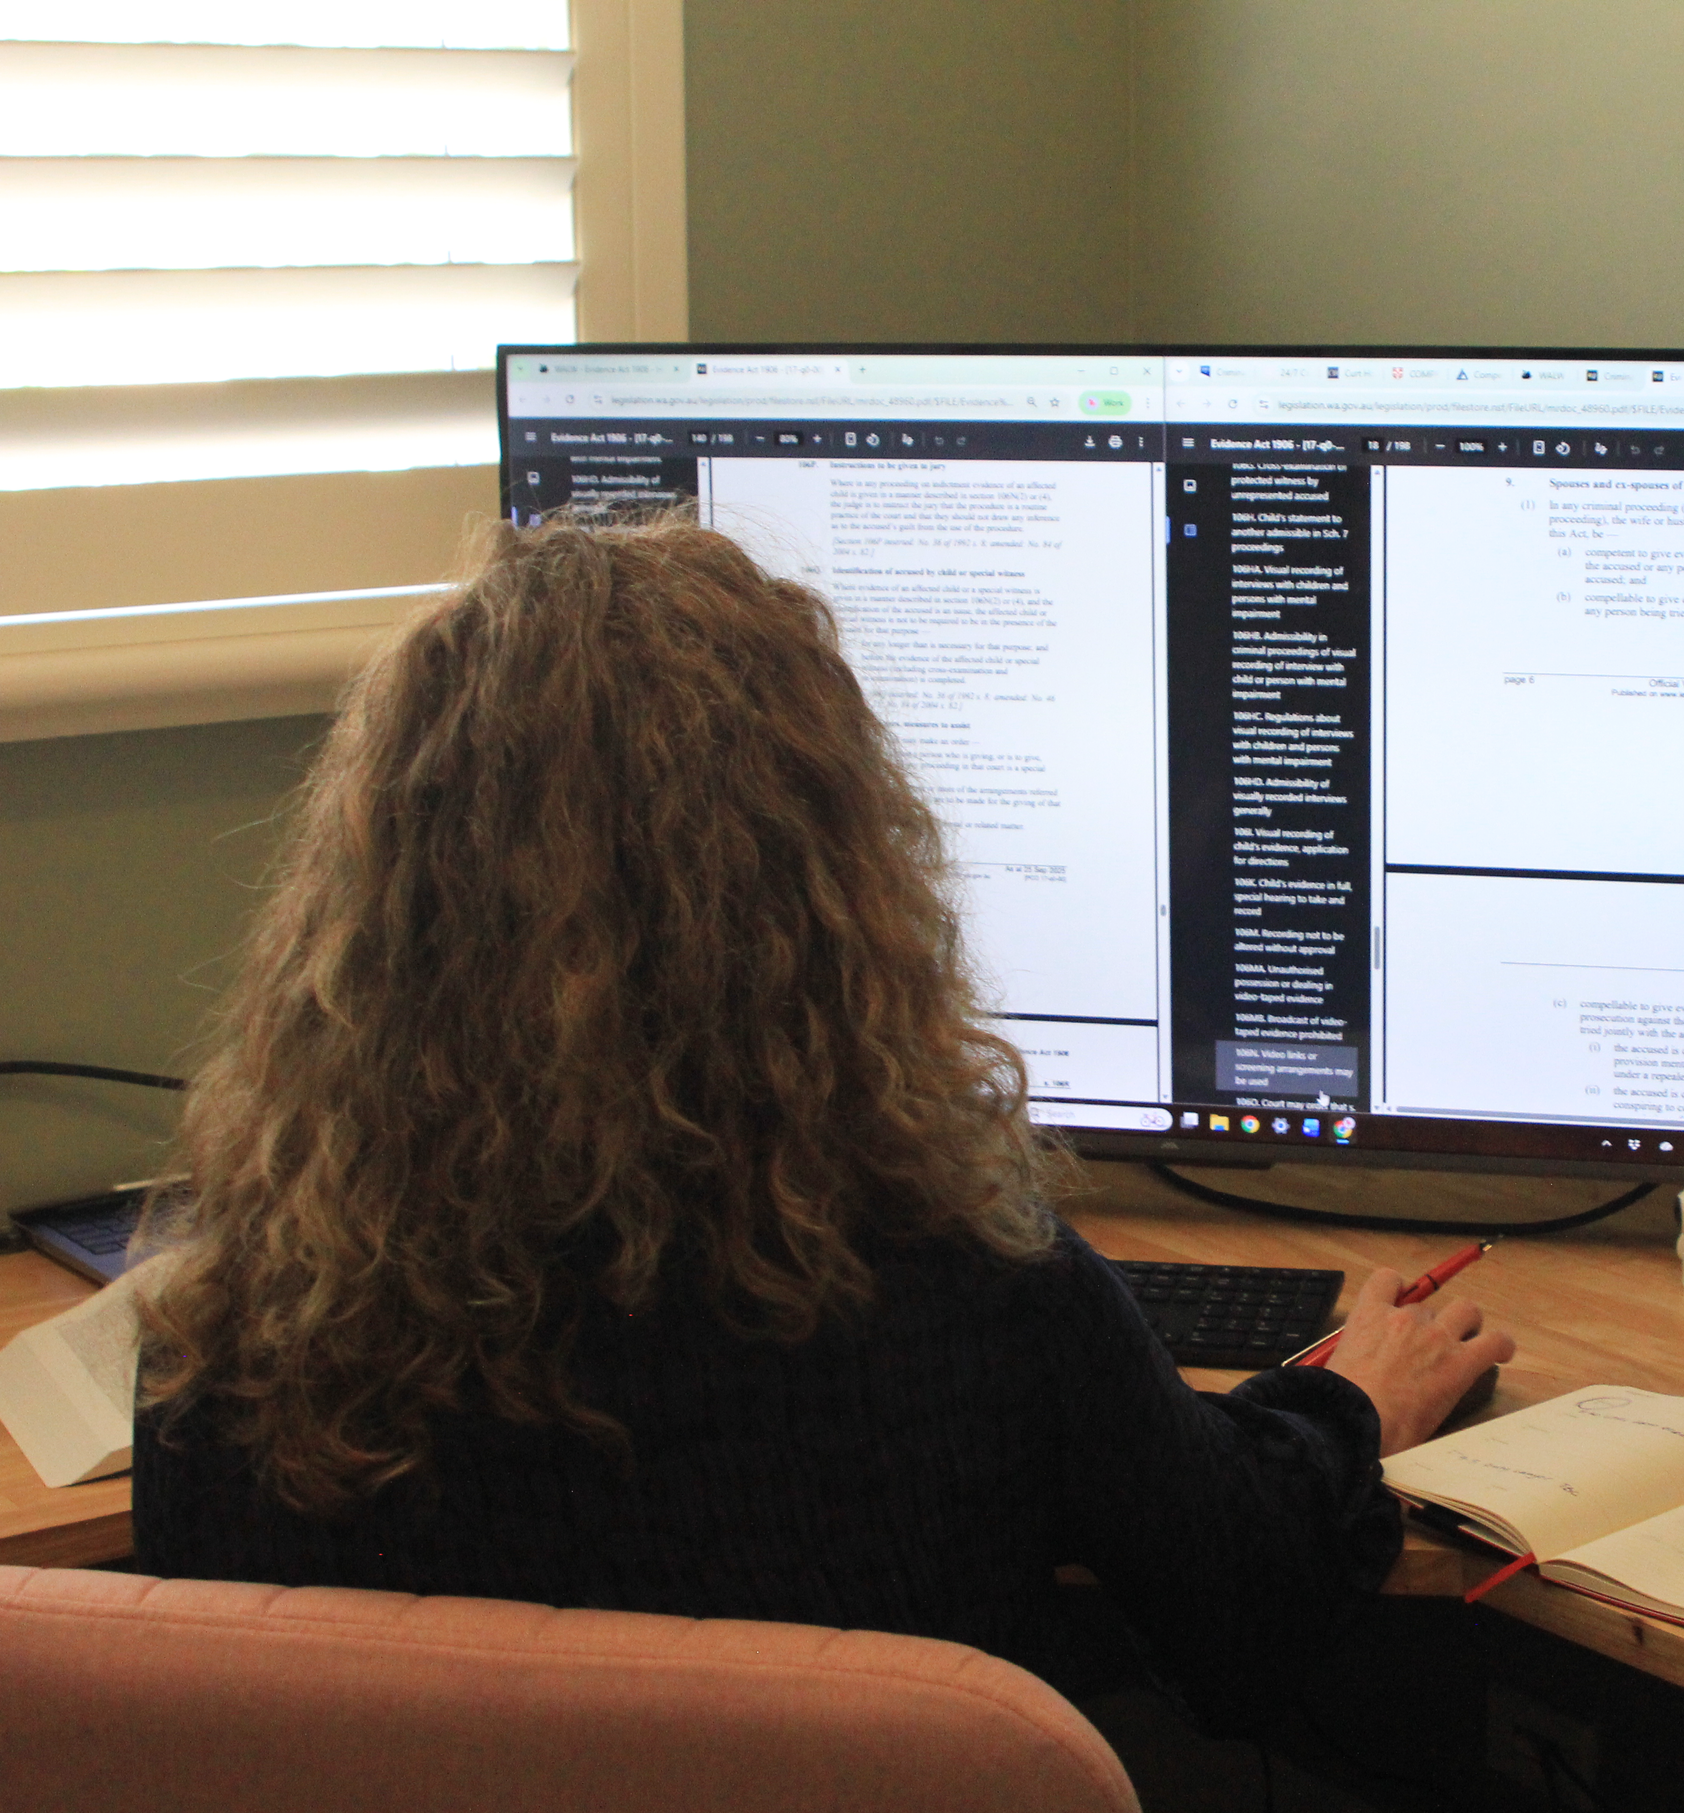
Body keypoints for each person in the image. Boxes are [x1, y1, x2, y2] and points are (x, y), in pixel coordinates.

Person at [131, 515, 1512, 1733]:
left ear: (384, 904)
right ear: (830, 888)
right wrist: (1344, 1402)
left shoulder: (239, 1335)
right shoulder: (971, 1294)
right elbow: (1246, 1619)